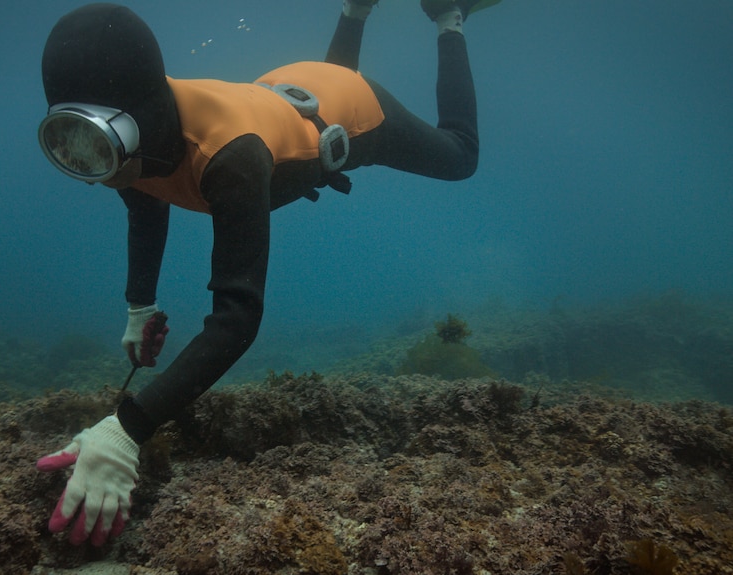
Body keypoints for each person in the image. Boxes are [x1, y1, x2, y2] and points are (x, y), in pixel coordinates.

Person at [35, 0, 500, 546]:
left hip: (344, 106)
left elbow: (237, 319)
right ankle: (356, 9)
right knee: (302, 105)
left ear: (128, 124)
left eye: (94, 145)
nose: (91, 171)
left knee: (460, 156)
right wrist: (140, 307)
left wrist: (126, 430)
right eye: (69, 144)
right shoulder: (135, 142)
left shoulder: (230, 159)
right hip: (281, 91)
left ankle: (448, 16)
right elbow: (145, 201)